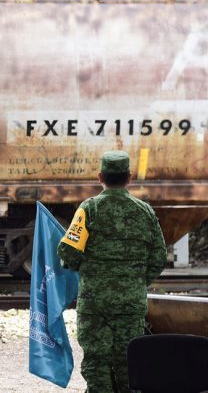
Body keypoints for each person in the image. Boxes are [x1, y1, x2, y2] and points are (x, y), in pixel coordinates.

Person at [57, 150, 166, 393]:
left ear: (100, 177)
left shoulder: (89, 209)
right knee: (129, 363)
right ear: (129, 178)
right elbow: (159, 259)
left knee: (96, 363)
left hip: (95, 304)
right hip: (131, 304)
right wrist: (135, 281)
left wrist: (87, 270)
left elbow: (68, 252)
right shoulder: (145, 212)